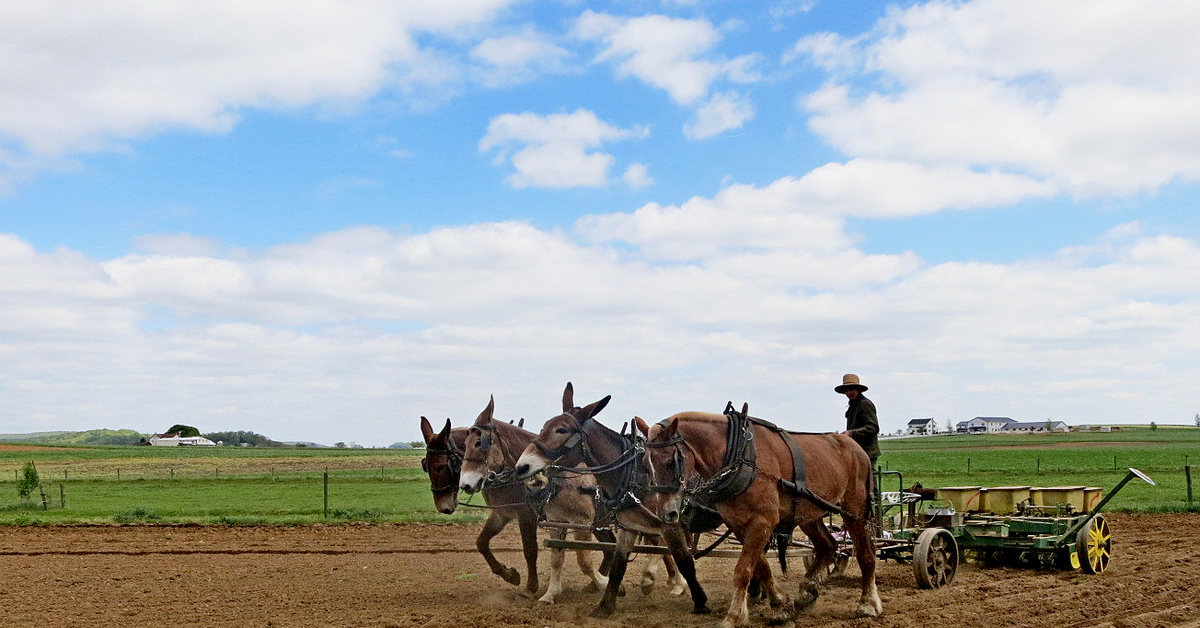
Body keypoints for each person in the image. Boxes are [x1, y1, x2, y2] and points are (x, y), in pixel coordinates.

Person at [835, 373, 879, 467]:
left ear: (858, 390)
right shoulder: (853, 405)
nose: (848, 393)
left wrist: (851, 433)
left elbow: (873, 427)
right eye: (846, 390)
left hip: (867, 451)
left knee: (867, 479)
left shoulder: (864, 404)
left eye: (851, 389)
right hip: (856, 450)